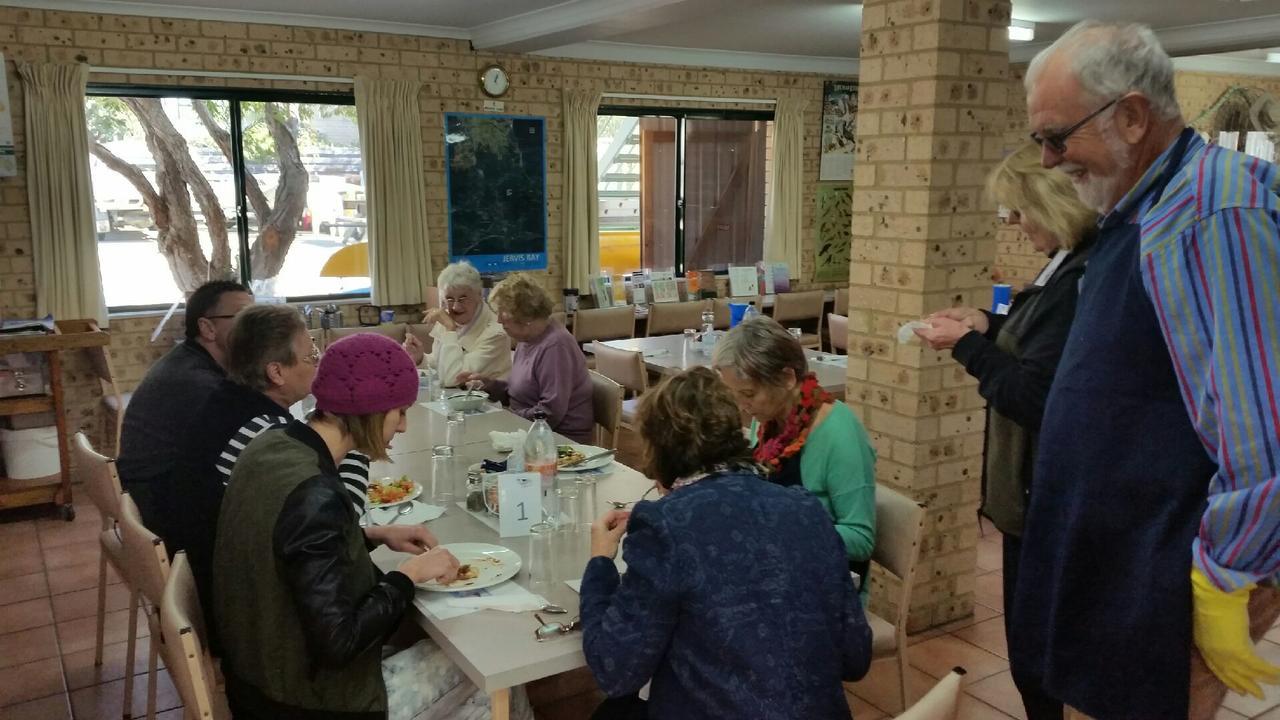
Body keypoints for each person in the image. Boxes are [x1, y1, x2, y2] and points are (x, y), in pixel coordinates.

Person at [1016, 20, 1280, 720]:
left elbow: (1262, 431)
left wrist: (1224, 583)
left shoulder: (1212, 212)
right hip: (1112, 557)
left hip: (1165, 572)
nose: (1047, 162)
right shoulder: (1146, 207)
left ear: (1131, 117)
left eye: (1055, 136)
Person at [213, 332, 532, 720]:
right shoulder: (316, 496)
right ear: (371, 411)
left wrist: (370, 535)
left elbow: (290, 548)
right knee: (493, 664)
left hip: (257, 673)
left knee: (472, 679)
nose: (401, 427)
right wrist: (407, 578)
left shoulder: (272, 445)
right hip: (306, 699)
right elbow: (341, 642)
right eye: (399, 412)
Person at [914, 142, 1097, 720]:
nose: (1014, 226)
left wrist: (965, 346)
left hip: (1047, 498)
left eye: (1019, 211)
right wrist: (988, 325)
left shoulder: (1078, 280)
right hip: (1027, 500)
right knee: (1029, 647)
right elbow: (1037, 353)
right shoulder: (1062, 267)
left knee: (1037, 654)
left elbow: (1032, 395)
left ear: (1054, 202)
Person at [580, 367, 871, 720]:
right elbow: (856, 658)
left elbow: (615, 670)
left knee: (612, 710)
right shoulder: (805, 508)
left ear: (657, 450)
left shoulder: (665, 525)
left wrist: (600, 565)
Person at [164, 305, 371, 641]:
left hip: (217, 573)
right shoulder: (265, 433)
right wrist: (362, 437)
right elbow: (342, 517)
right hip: (243, 611)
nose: (318, 363)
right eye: (310, 355)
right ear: (276, 372)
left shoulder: (228, 401)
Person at [711, 316, 876, 583]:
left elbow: (861, 540)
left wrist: (783, 528)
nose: (742, 406)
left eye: (749, 394)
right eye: (736, 395)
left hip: (825, 582)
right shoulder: (768, 420)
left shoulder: (839, 434)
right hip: (777, 564)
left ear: (787, 377)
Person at [117, 279, 253, 534]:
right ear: (207, 328)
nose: (256, 327)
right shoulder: (197, 383)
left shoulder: (188, 361)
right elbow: (249, 450)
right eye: (245, 317)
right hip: (162, 509)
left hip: (147, 495)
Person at [458, 273, 593, 443]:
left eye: (503, 313)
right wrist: (487, 385)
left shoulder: (555, 346)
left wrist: (508, 417)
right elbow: (521, 391)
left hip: (560, 441)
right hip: (529, 431)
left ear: (525, 316)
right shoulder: (528, 338)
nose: (498, 320)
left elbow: (550, 413)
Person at [402, 261, 512, 387]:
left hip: (490, 403)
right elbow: (441, 365)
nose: (456, 306)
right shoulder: (447, 321)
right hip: (454, 400)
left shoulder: (496, 333)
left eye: (463, 298)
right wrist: (420, 358)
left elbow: (453, 379)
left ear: (479, 295)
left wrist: (450, 330)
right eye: (449, 299)